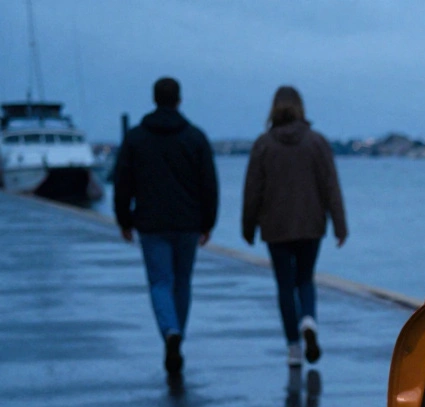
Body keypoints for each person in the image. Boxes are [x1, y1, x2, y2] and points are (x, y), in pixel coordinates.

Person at [113, 77, 218, 376]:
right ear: (179, 100)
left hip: (151, 222)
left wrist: (124, 219)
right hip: (187, 223)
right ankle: (176, 337)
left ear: (154, 99)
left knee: (160, 282)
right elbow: (209, 185)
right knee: (182, 282)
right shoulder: (195, 138)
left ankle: (169, 332)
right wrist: (208, 221)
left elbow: (123, 182)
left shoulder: (135, 138)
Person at [241, 86, 347, 367]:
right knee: (305, 278)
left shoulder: (263, 144)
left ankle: (293, 348)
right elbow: (330, 187)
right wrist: (340, 225)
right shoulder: (317, 142)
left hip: (275, 227)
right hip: (311, 224)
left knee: (285, 286)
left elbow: (253, 189)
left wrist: (248, 226)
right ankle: (309, 321)